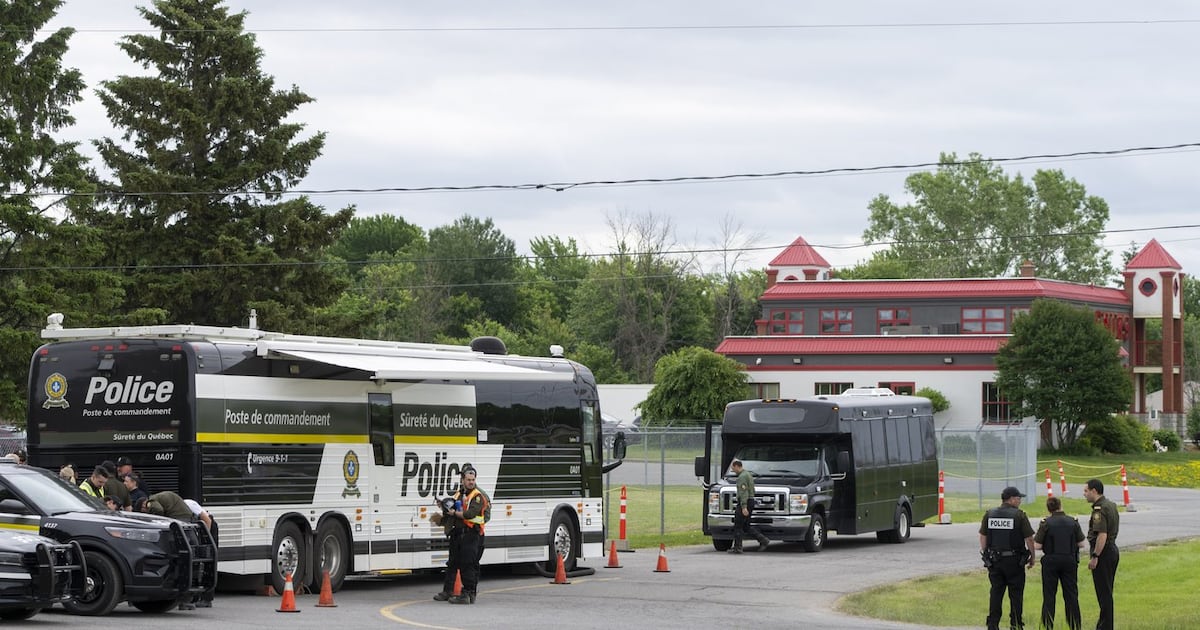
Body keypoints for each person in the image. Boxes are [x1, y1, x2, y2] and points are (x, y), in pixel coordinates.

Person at [979, 486, 1035, 630]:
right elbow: (1029, 538)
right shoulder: (1019, 515)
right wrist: (1032, 556)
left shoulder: (989, 514)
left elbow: (983, 535)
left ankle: (992, 624)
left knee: (996, 592)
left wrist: (986, 554)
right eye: (1018, 498)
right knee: (1016, 593)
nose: (1020, 501)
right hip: (1014, 561)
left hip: (995, 561)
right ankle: (1015, 624)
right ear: (1011, 499)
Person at [431, 467, 487, 604]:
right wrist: (444, 507)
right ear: (462, 480)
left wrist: (454, 513)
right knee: (452, 564)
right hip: (458, 534)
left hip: (471, 534)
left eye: (473, 480)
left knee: (467, 565)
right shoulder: (459, 493)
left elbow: (470, 514)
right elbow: (454, 508)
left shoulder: (477, 496)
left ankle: (468, 594)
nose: (471, 482)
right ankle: (448, 591)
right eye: (468, 480)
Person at [1034, 496, 1085, 630]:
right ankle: (1075, 625)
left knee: (1049, 596)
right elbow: (1081, 543)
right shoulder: (1073, 522)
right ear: (1060, 506)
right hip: (1069, 560)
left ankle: (1047, 625)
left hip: (1051, 561)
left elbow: (1037, 545)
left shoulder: (1045, 523)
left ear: (1049, 508)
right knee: (1071, 595)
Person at [1084, 478, 1120, 630]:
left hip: (1103, 552)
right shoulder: (1111, 505)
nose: (1084, 494)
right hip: (1112, 549)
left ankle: (1105, 627)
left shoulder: (1099, 509)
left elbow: (1102, 535)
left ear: (1094, 491)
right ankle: (1103, 625)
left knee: (1104, 594)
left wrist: (1095, 556)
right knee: (1107, 591)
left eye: (1086, 491)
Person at [729, 459, 770, 553]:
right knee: (746, 526)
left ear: (737, 466)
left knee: (738, 525)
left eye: (733, 468)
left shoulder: (742, 477)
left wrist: (743, 507)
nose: (733, 470)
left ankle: (738, 548)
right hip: (751, 500)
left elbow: (743, 492)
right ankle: (763, 540)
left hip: (745, 501)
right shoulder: (748, 474)